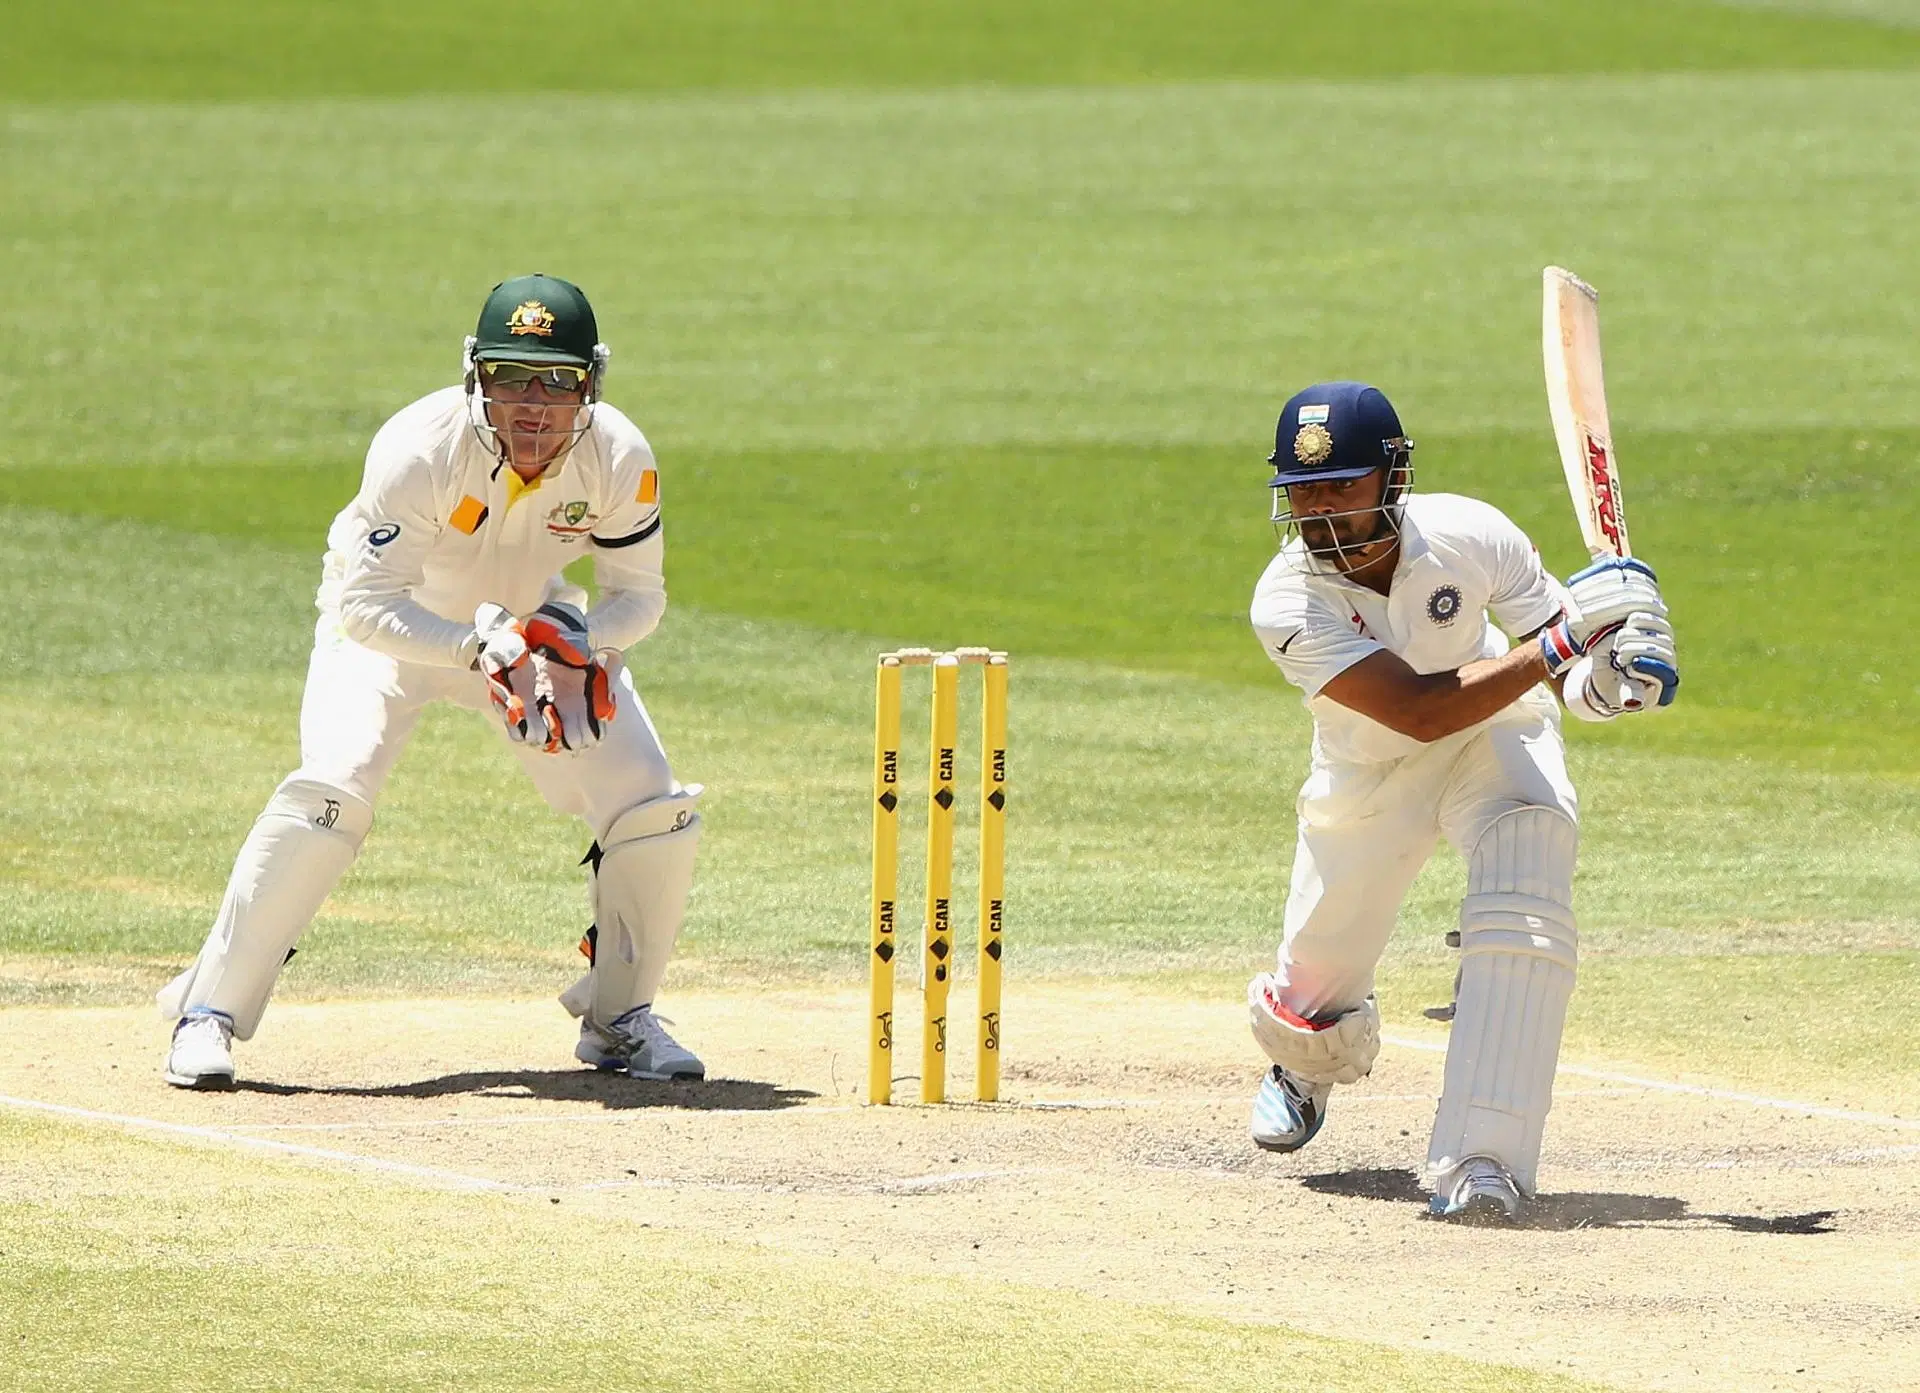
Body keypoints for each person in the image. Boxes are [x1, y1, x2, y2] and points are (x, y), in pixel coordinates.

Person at [158, 275, 706, 1089]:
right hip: (399, 635)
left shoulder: (619, 455)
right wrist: (468, 646)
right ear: (474, 375)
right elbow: (364, 606)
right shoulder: (420, 448)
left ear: (591, 382)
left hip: (529, 646)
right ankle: (207, 1014)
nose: (532, 404)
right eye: (509, 376)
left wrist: (581, 640)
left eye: (556, 382)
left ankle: (621, 1016)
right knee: (330, 791)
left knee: (652, 803)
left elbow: (642, 596)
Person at [1243, 381, 1678, 1222]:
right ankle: (1306, 1061)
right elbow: (1417, 709)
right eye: (1301, 491)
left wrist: (1620, 675)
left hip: (1495, 728)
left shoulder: (1472, 533)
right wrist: (1563, 640)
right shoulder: (1286, 599)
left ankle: (1484, 1160)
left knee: (1530, 867)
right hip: (1372, 763)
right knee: (1315, 991)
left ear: (1392, 478)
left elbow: (1575, 678)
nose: (1319, 511)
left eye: (1341, 485)